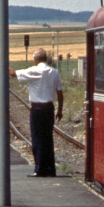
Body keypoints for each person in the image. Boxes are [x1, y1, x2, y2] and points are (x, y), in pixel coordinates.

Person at [11, 49, 64, 177]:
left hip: (37, 109)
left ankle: (40, 169)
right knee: (48, 138)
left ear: (35, 59)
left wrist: (2, 62)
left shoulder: (33, 71)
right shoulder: (54, 72)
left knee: (37, 139)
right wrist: (60, 110)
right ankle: (50, 169)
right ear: (46, 58)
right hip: (49, 109)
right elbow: (60, 93)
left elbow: (13, 73)